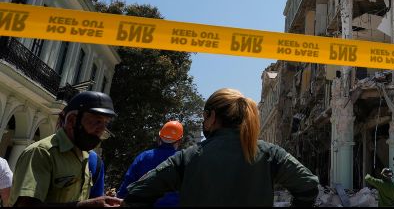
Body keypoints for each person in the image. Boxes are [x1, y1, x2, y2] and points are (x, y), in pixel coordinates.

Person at [123, 88, 319, 206]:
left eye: (204, 116)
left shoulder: (188, 157)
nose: (204, 122)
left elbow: (136, 194)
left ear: (213, 116)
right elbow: (308, 185)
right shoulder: (271, 154)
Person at [9, 91, 122, 207]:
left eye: (105, 123)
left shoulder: (85, 156)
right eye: (97, 121)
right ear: (72, 120)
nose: (102, 129)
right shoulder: (42, 152)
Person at [117, 121, 185, 206]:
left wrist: (120, 199)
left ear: (159, 138)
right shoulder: (183, 160)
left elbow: (128, 182)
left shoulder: (144, 157)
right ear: (179, 141)